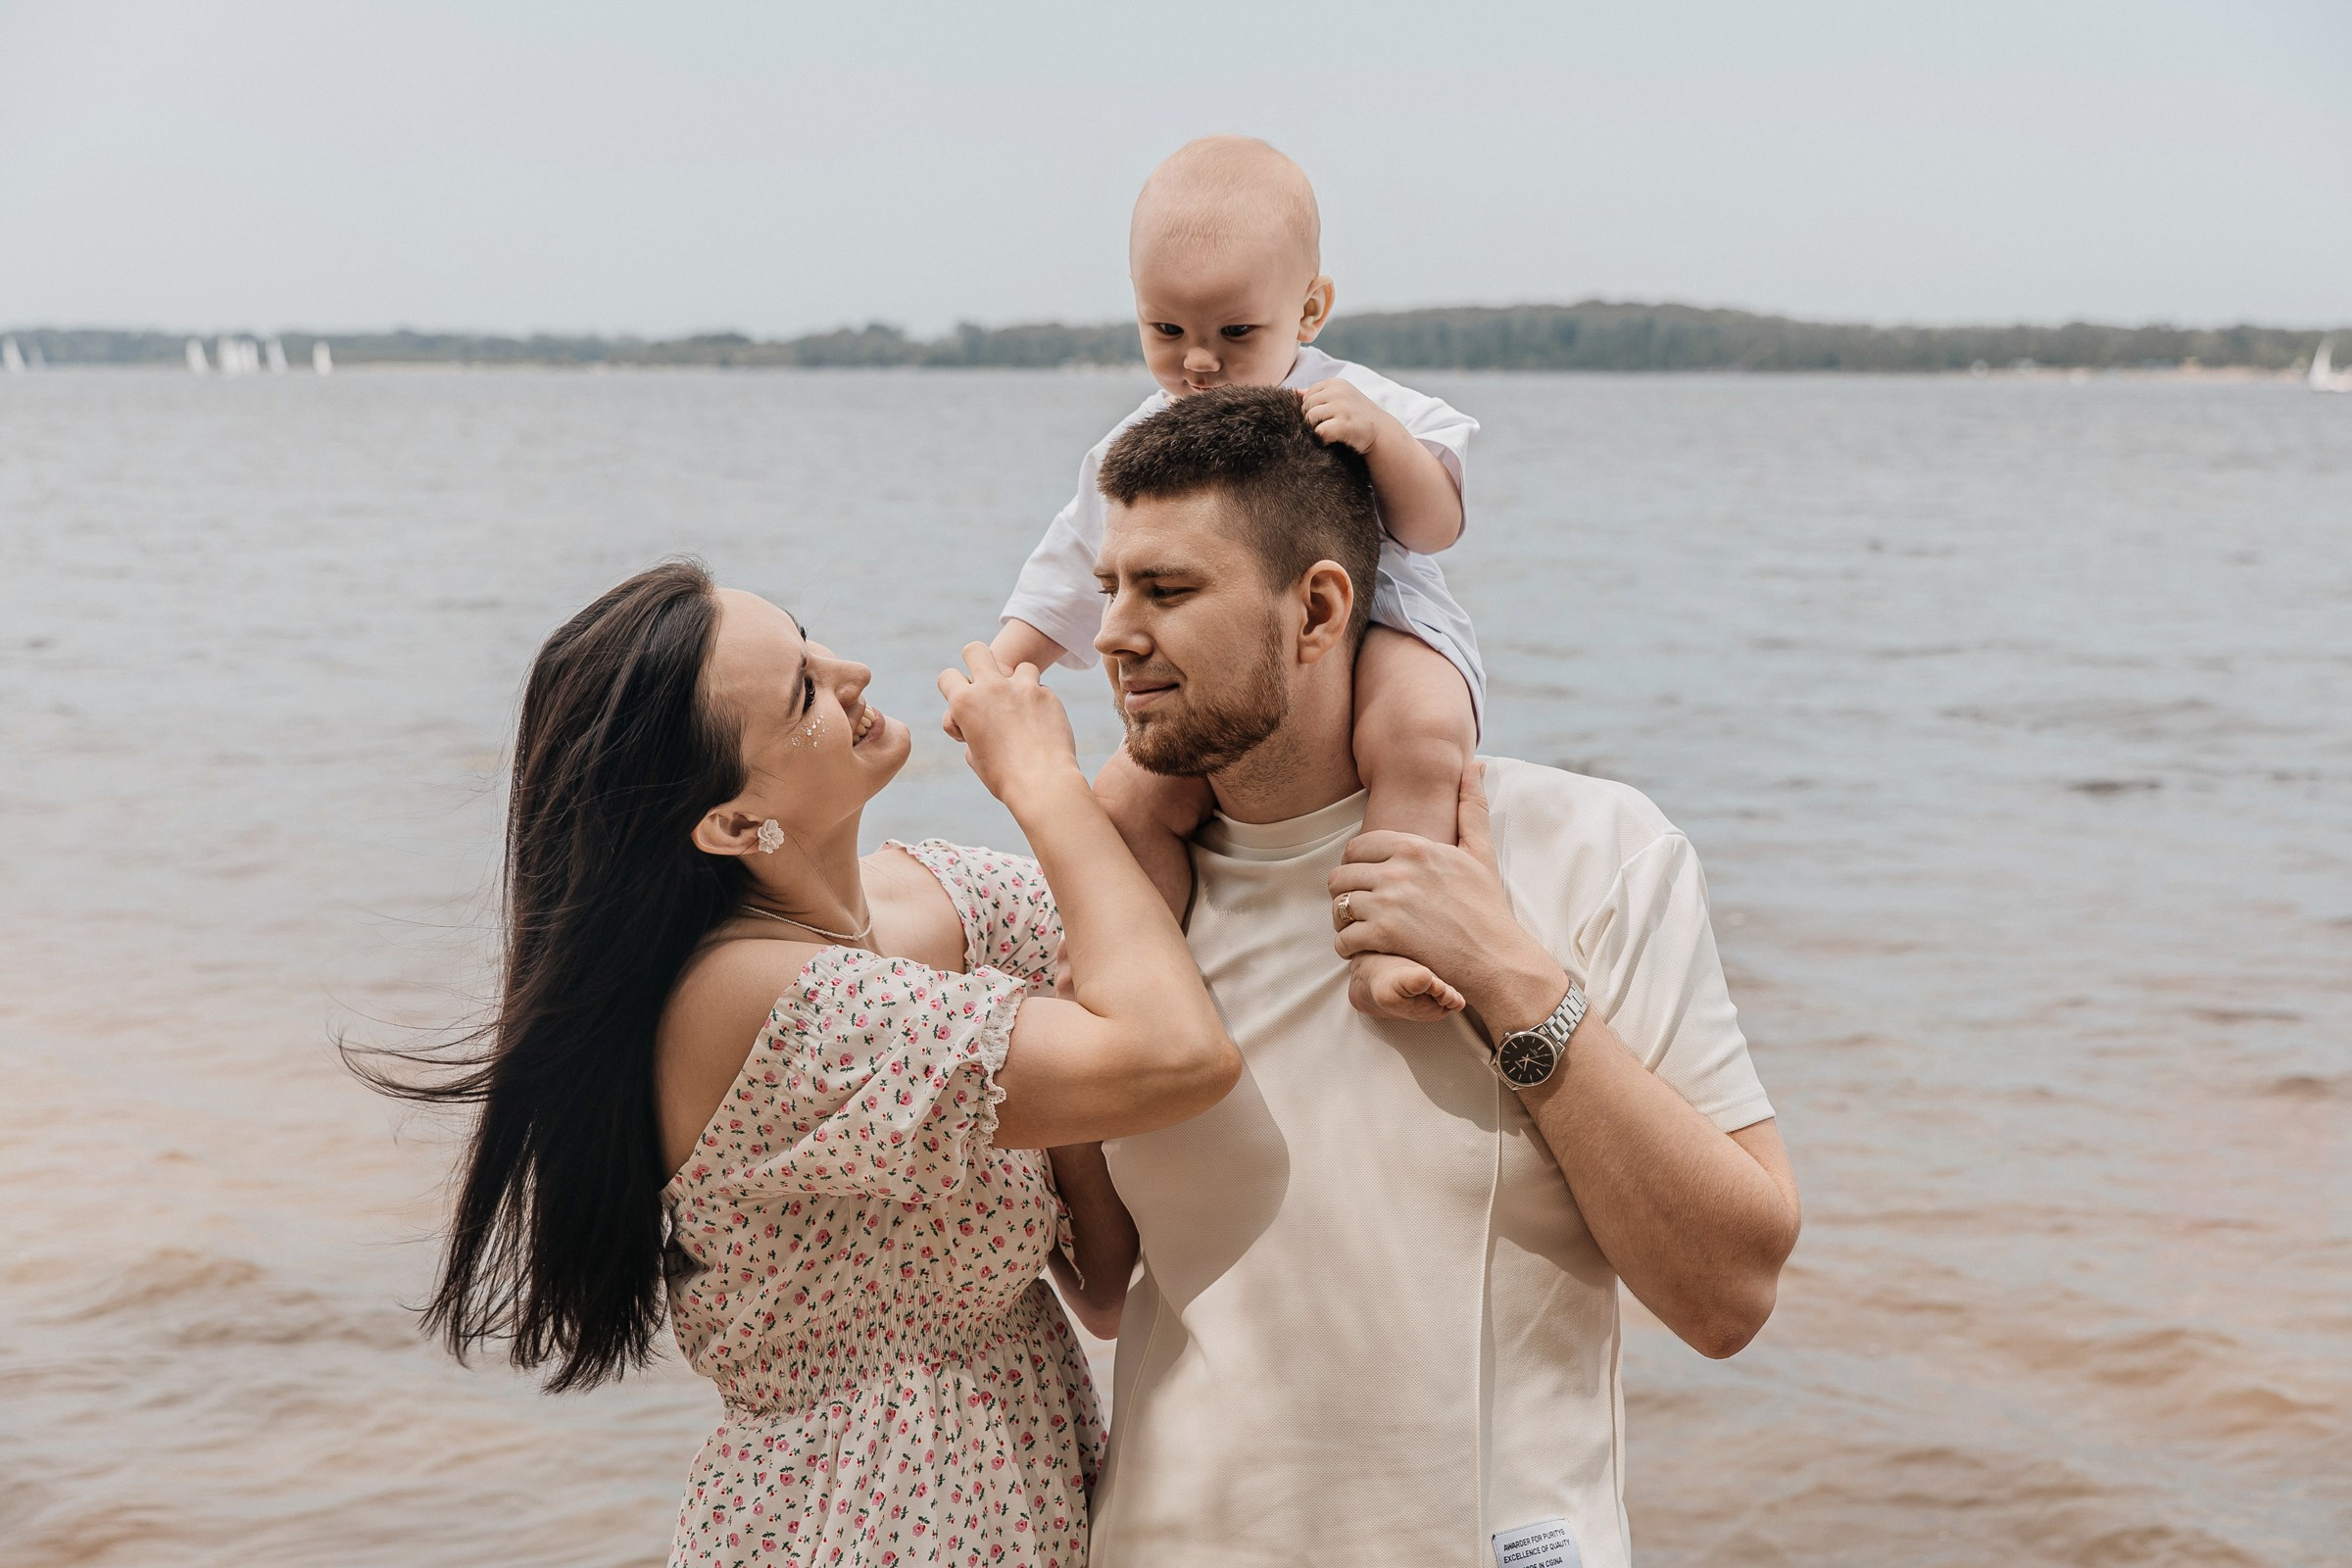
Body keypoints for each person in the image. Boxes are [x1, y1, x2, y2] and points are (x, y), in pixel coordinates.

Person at [368, 562, 1239, 1567]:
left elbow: (1100, 1272)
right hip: (855, 1516)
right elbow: (1175, 1055)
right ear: (736, 824)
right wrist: (1046, 787)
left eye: (813, 642)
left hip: (1025, 1477)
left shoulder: (946, 893)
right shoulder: (752, 1002)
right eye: (805, 693)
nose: (854, 671)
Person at [1077, 388, 1803, 1568]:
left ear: (1318, 607)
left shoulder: (1597, 851)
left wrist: (1516, 981)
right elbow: (1099, 1283)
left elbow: (1730, 1295)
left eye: (1166, 591)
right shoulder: (1118, 896)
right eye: (1107, 587)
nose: (1111, 632)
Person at [993, 134, 1483, 1022]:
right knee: (1129, 797)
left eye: (1235, 333)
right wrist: (1010, 661)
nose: (1200, 362)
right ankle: (1128, 956)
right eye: (1167, 331)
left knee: (1417, 736)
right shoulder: (1137, 440)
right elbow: (1074, 558)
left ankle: (1389, 943)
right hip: (1238, 664)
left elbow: (1435, 525)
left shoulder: (1365, 400)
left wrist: (1382, 440)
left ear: (1310, 309)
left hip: (1395, 626)